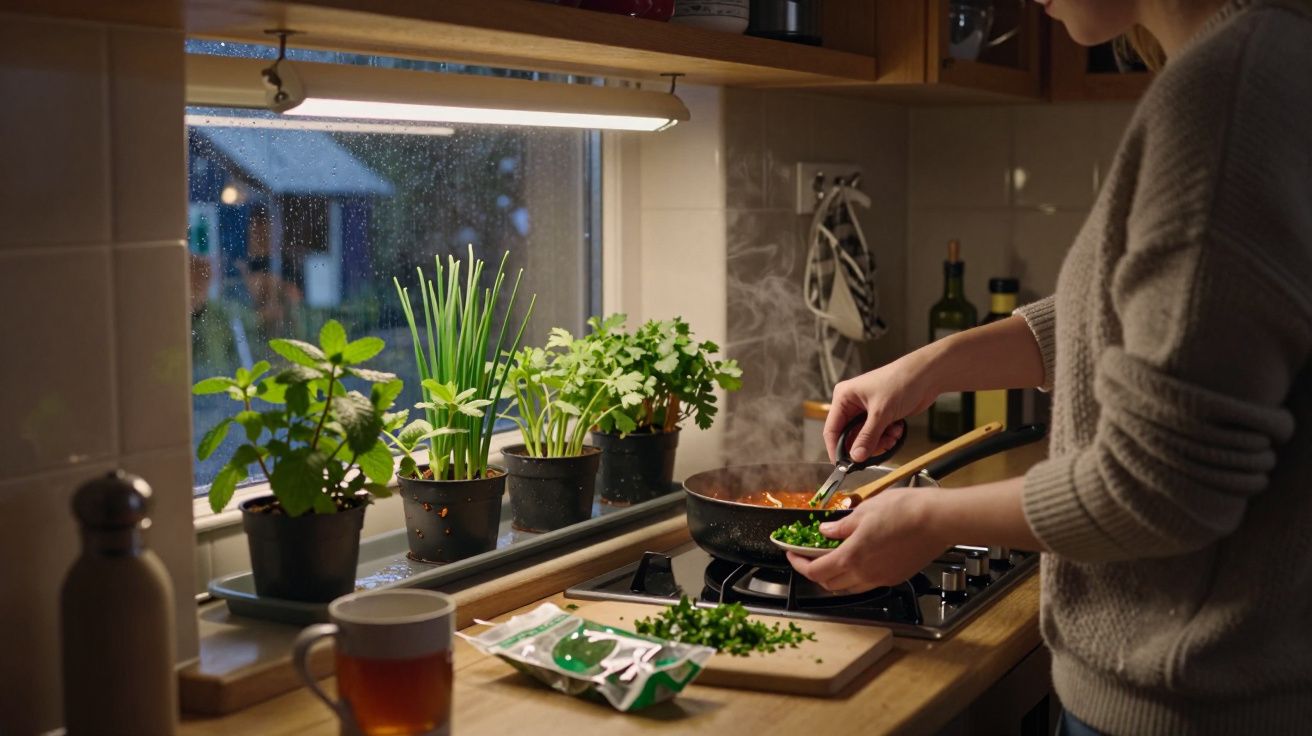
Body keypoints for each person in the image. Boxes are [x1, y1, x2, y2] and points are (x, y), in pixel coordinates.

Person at [791, 1, 1312, 733]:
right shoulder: (1258, 61)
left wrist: (929, 517)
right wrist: (935, 365)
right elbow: (1147, 315)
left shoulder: (1227, 97)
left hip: (1195, 705)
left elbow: (1160, 485)